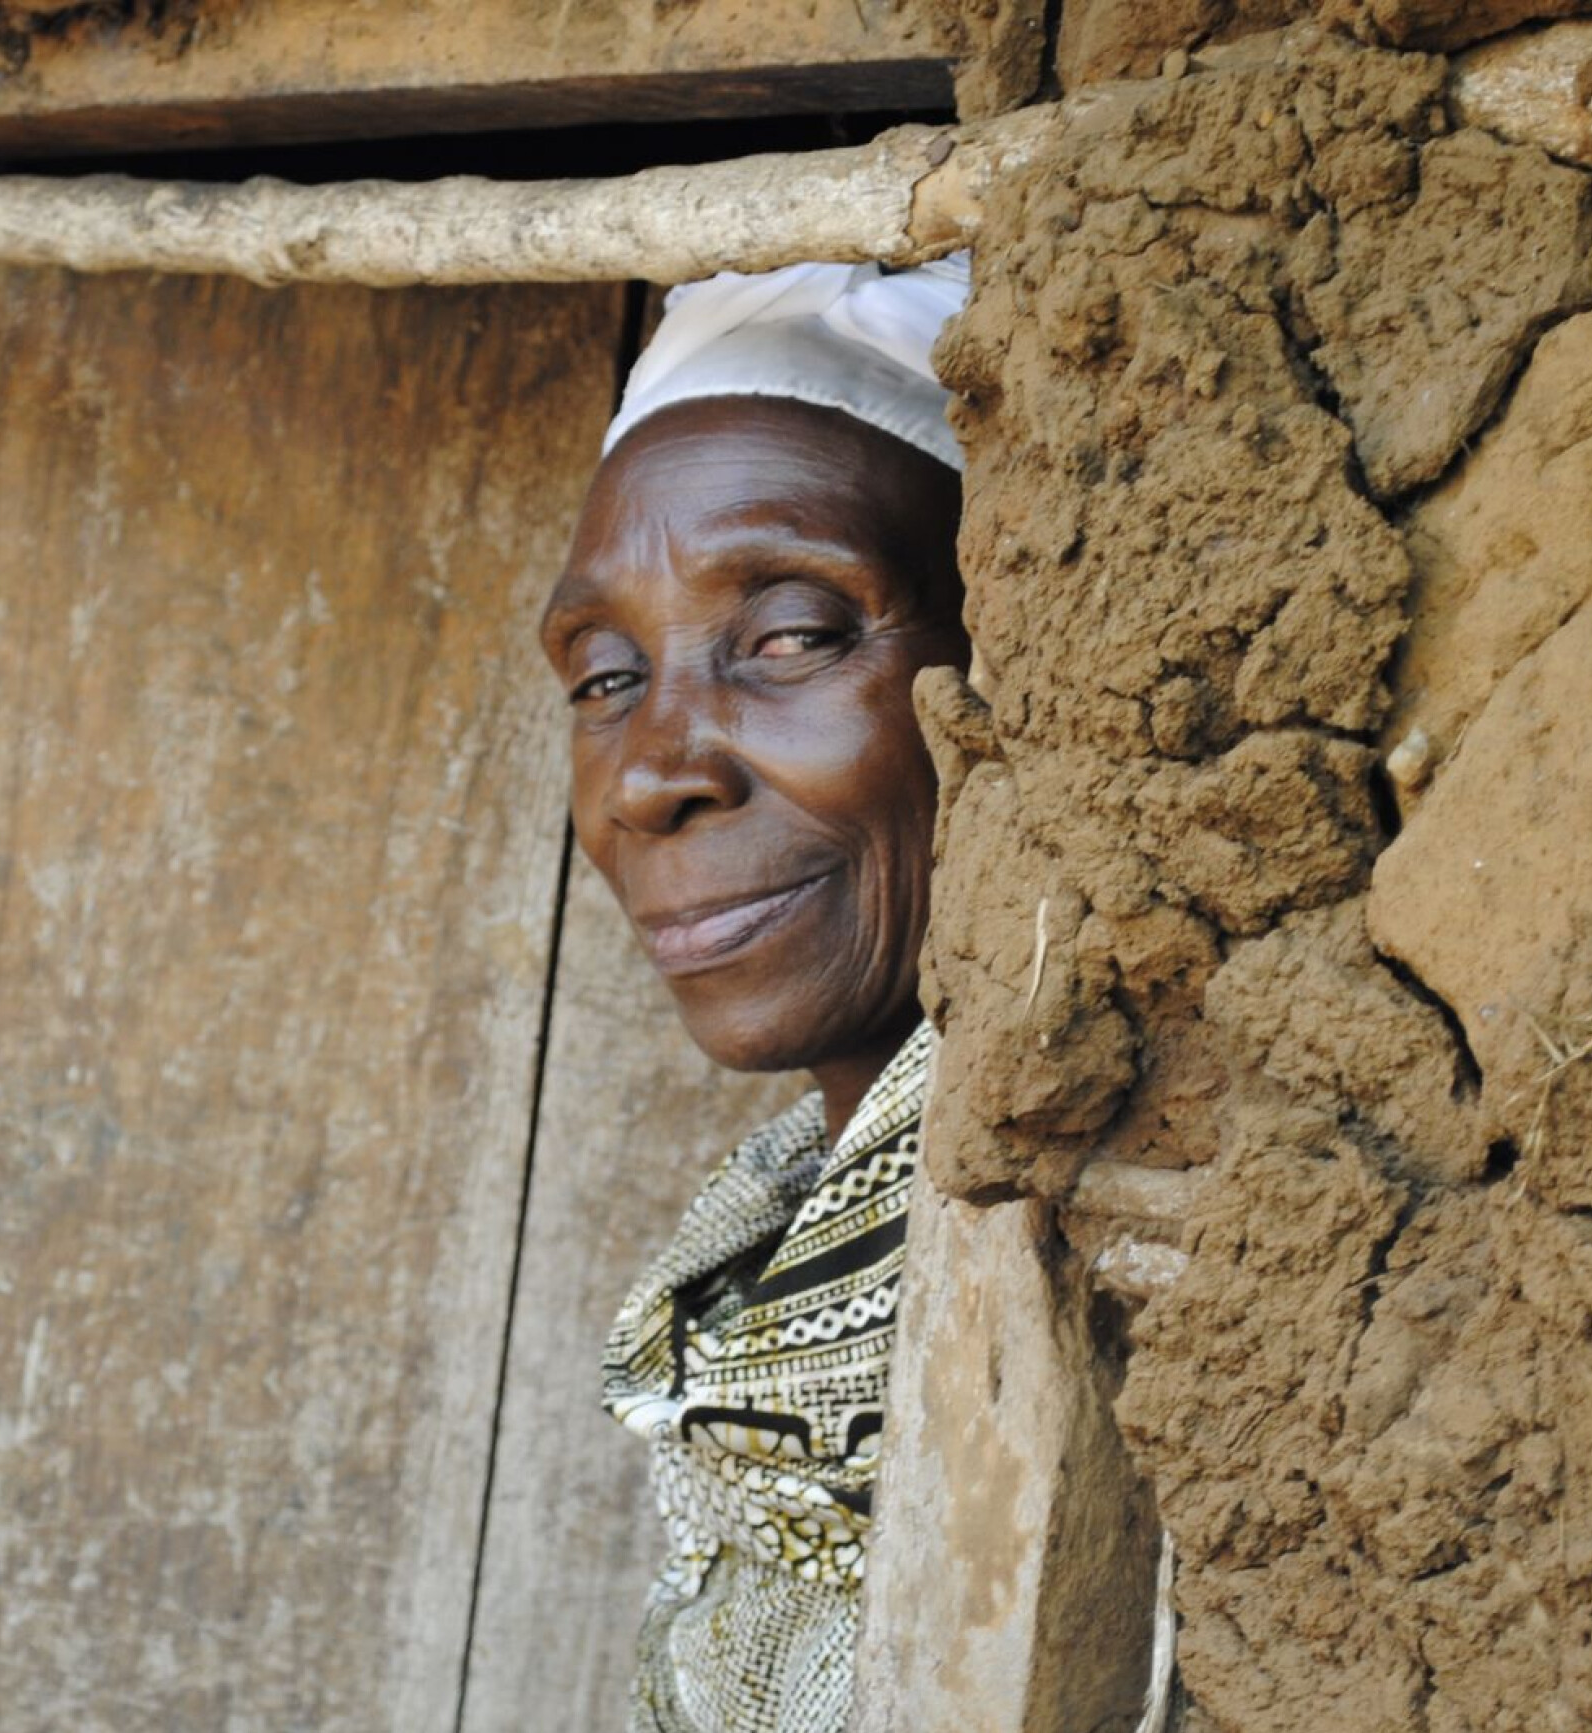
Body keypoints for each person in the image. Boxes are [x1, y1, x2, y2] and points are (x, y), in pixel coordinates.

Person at [536, 258, 973, 1733]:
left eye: (790, 633)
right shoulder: (761, 1273)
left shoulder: (1222, 1284)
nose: (655, 771)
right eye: (605, 676)